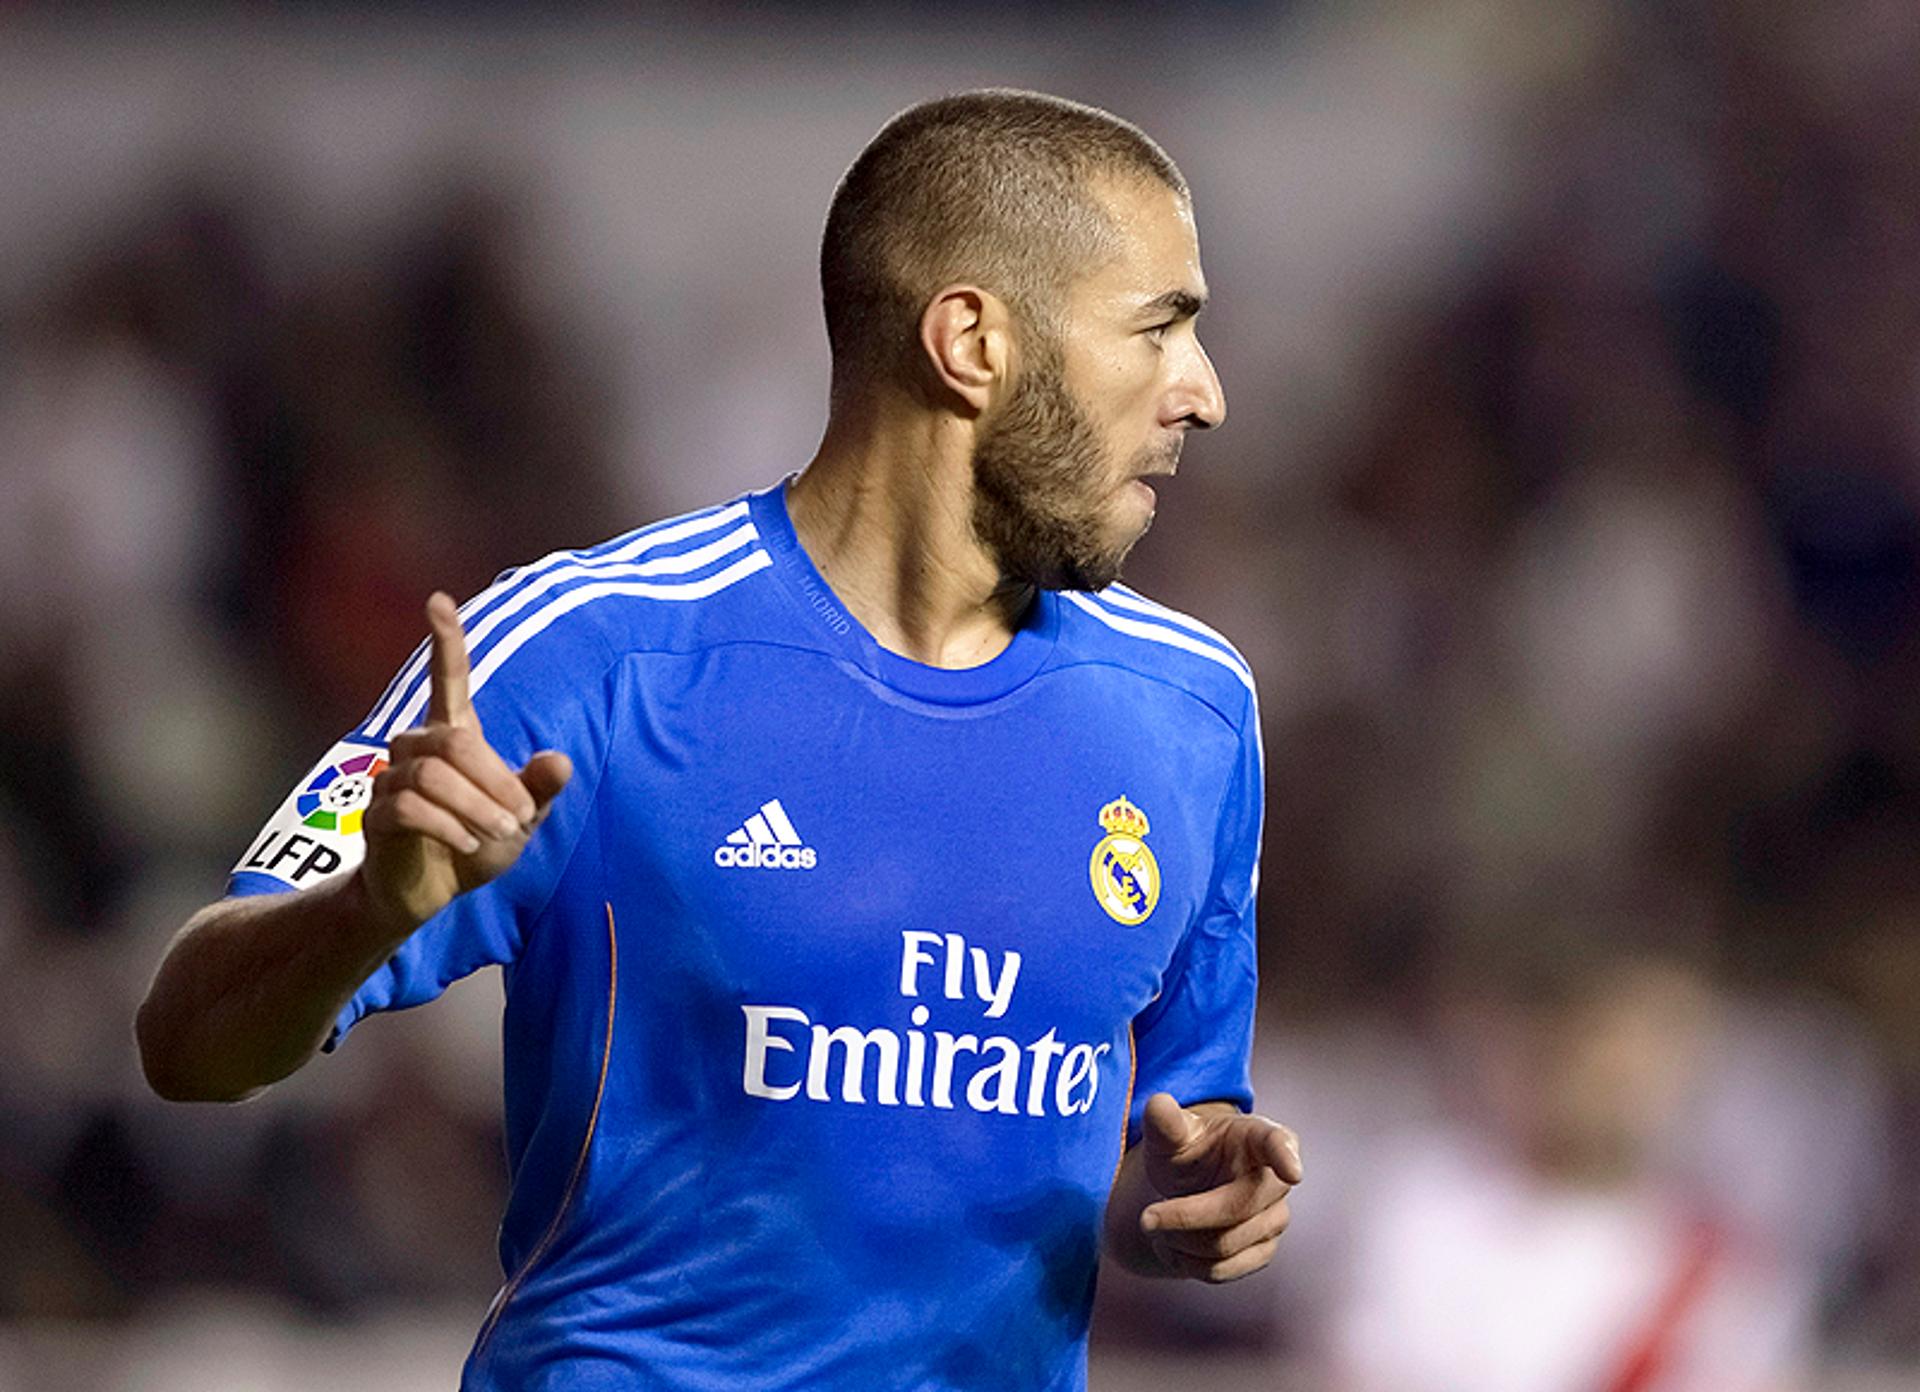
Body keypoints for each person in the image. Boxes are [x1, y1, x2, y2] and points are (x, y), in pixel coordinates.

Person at [136, 89, 1301, 1391]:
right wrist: (364, 909)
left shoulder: (1194, 711)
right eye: (1160, 328)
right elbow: (187, 1043)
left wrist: (1197, 1204)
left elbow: (1161, 1156)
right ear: (972, 342)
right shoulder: (584, 653)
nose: (1203, 393)